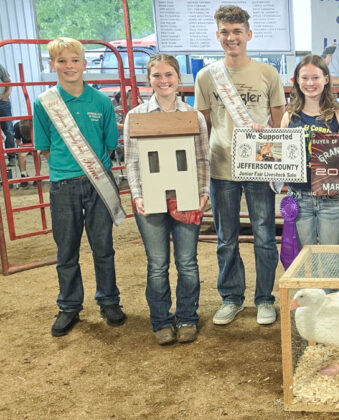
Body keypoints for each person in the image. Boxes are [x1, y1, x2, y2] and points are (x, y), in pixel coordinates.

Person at [194, 5, 285, 326]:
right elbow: (203, 126)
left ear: (249, 34)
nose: (231, 37)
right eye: (225, 32)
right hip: (221, 168)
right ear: (217, 35)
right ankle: (231, 297)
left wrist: (278, 161)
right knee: (226, 238)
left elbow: (279, 124)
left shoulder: (267, 73)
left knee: (264, 236)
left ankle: (264, 299)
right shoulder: (206, 76)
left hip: (260, 167)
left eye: (237, 32)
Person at [33, 37, 127, 336]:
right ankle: (69, 306)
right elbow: (44, 146)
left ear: (85, 64)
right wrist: (68, 168)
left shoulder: (101, 102)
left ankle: (109, 300)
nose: (69, 66)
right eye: (62, 61)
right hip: (63, 185)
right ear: (53, 65)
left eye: (75, 60)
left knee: (103, 247)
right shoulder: (44, 103)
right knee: (66, 250)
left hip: (98, 183)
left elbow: (109, 144)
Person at [124, 54, 210, 345]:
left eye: (169, 74)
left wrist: (203, 193)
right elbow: (132, 161)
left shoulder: (193, 116)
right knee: (157, 264)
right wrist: (137, 196)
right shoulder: (136, 116)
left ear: (178, 78)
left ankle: (187, 318)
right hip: (151, 198)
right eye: (157, 75)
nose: (164, 81)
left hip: (186, 196)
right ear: (149, 79)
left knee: (187, 262)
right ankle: (161, 321)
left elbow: (202, 158)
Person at [281, 55, 339, 248]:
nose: (310, 83)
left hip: (331, 198)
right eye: (305, 78)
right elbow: (280, 159)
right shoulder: (289, 117)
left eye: (315, 77)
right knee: (304, 258)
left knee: (330, 259)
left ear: (326, 79)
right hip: (299, 196)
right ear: (297, 80)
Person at [0, 63, 14, 164]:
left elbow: (8, 81)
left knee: (8, 129)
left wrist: (5, 96)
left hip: (2, 101)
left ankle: (12, 157)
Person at [12, 120, 32, 187]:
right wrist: (21, 145)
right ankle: (24, 175)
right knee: (21, 155)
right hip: (25, 145)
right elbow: (17, 140)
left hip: (36, 144)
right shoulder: (17, 126)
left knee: (36, 154)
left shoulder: (36, 124)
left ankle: (38, 175)